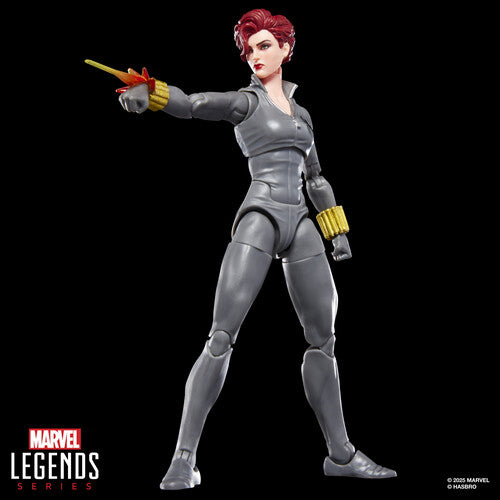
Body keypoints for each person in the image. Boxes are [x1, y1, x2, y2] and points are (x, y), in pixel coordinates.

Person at [118, 8, 397, 489]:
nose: (255, 55)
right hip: (262, 214)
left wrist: (338, 232)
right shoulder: (245, 103)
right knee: (221, 336)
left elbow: (316, 178)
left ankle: (341, 455)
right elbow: (194, 103)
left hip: (302, 223)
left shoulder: (302, 116)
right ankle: (184, 458)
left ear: (286, 49)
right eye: (249, 48)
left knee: (324, 341)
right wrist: (153, 92)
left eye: (264, 45)